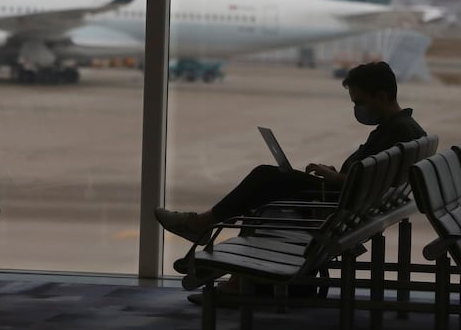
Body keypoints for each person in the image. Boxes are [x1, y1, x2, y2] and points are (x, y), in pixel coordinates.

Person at [155, 61, 427, 245]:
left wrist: (335, 179)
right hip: (349, 203)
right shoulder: (406, 128)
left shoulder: (396, 131)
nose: (358, 109)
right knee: (267, 182)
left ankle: (201, 225)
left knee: (265, 179)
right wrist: (337, 175)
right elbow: (376, 176)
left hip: (337, 206)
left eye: (360, 102)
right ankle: (227, 261)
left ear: (381, 96)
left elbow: (373, 182)